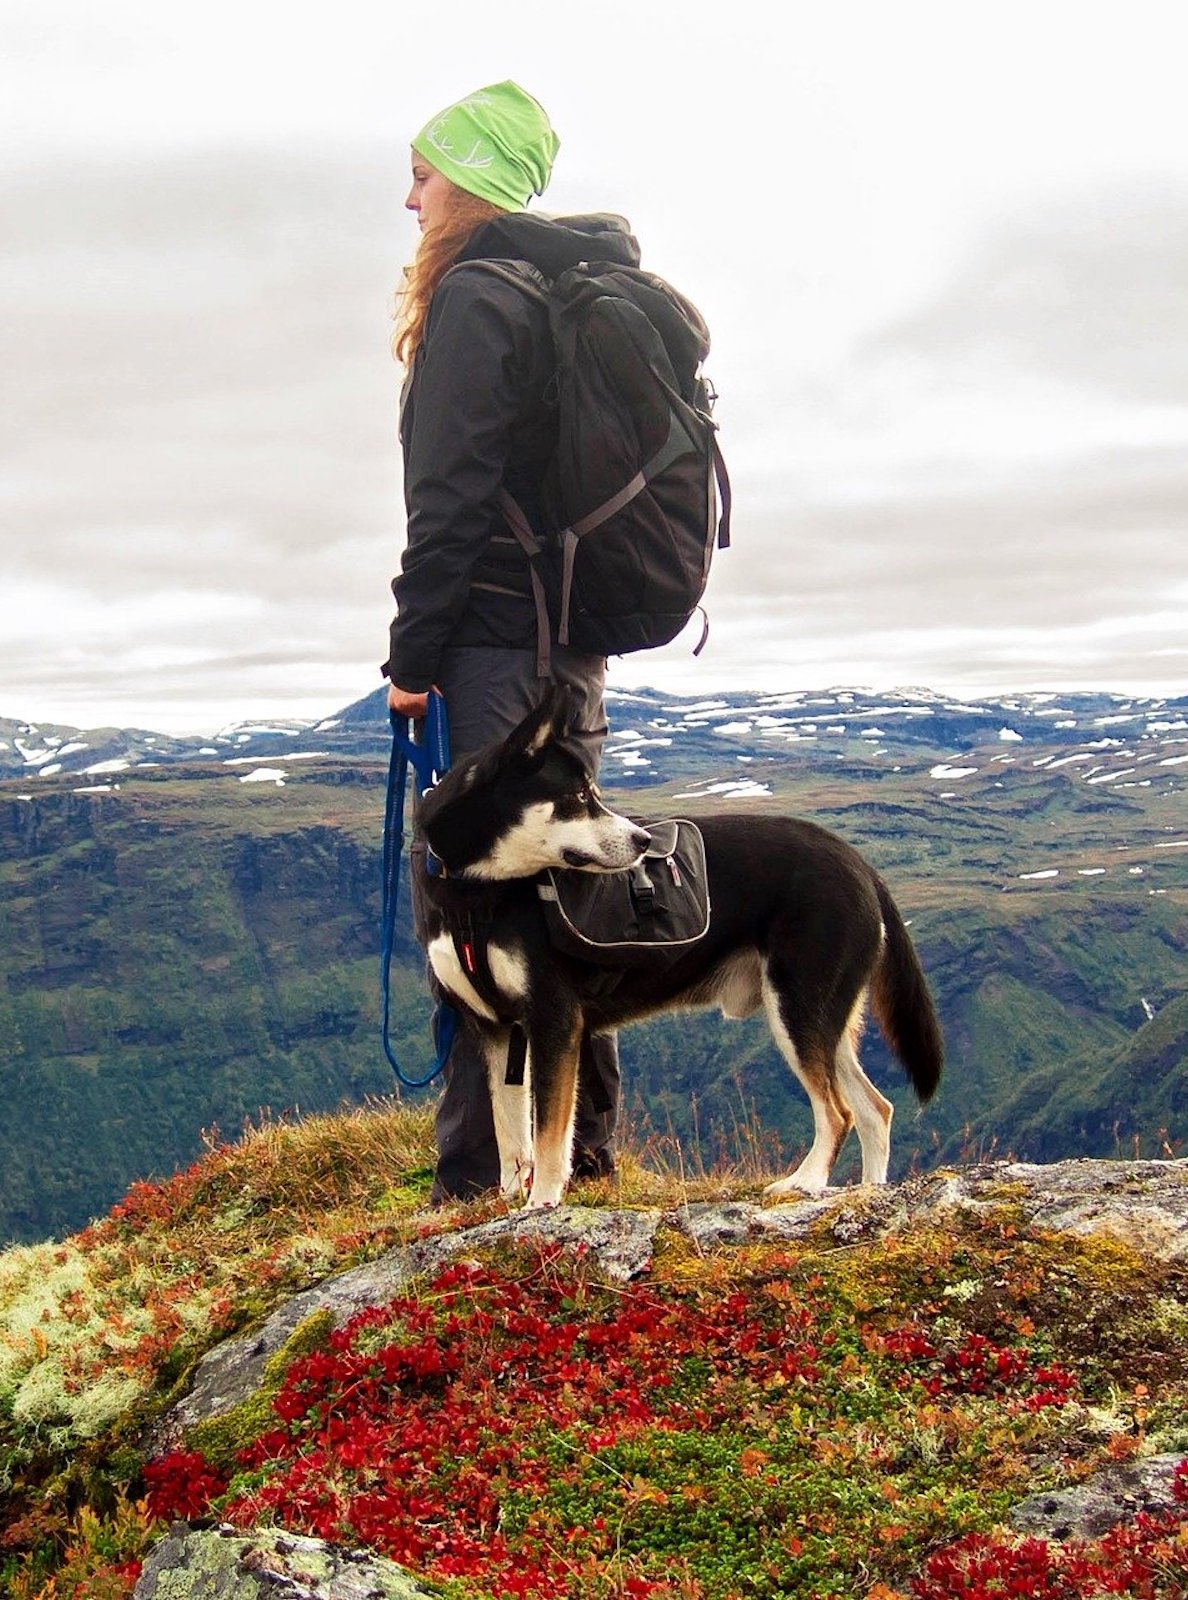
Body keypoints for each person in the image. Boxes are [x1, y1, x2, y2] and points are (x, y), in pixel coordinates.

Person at [382, 81, 640, 1201]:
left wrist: (410, 656)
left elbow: (449, 502)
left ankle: (475, 1176)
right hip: (569, 643)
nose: (410, 198)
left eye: (425, 175)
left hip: (493, 642)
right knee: (565, 887)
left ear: (473, 183)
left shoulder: (478, 298)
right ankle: (579, 1153)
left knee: (480, 897)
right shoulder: (552, 291)